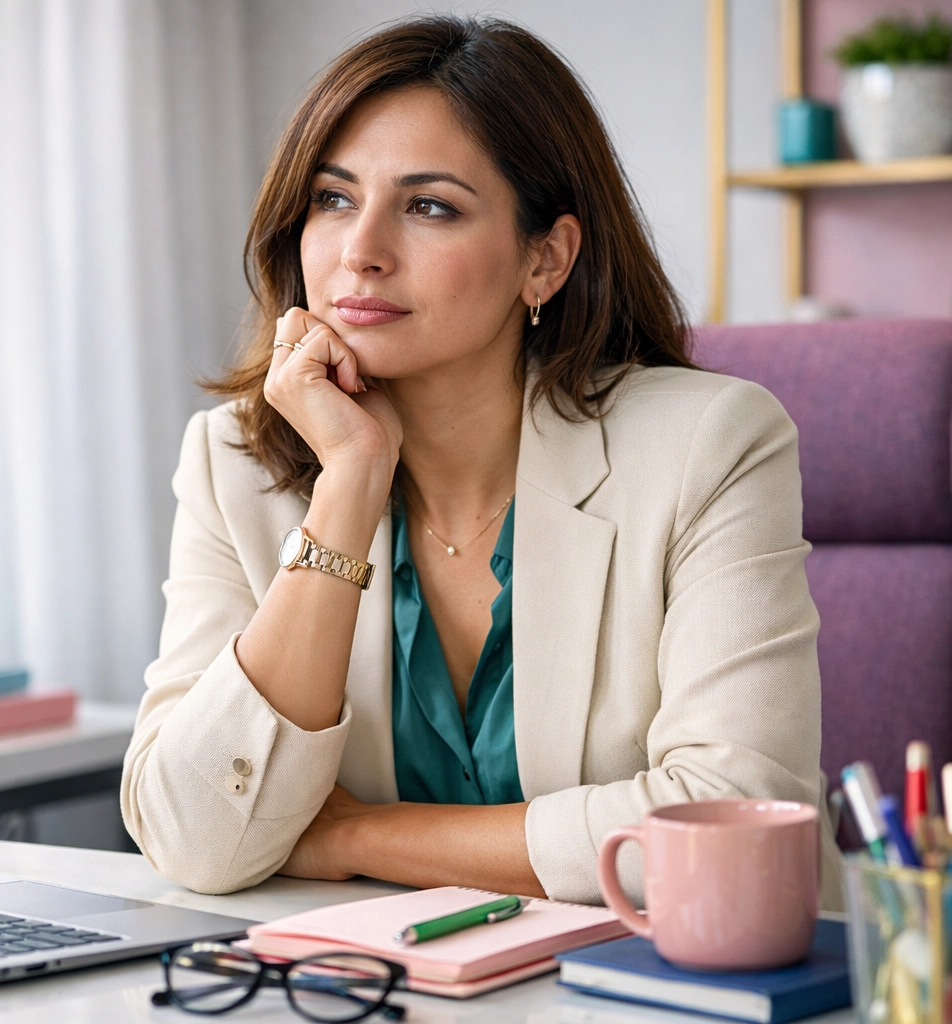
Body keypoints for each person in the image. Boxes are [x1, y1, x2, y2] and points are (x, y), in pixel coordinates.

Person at [120, 14, 841, 907]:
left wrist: (358, 836)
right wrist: (348, 484)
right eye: (333, 198)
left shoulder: (710, 444)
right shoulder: (235, 460)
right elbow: (194, 838)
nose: (361, 251)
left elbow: (733, 825)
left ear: (545, 260)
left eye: (429, 207)